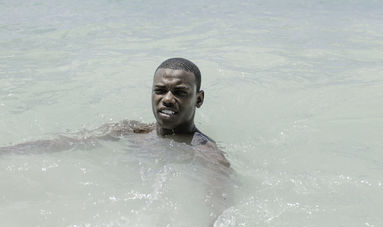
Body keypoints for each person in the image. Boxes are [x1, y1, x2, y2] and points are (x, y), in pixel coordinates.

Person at [0, 57, 229, 167]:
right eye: (160, 90)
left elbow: (219, 214)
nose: (167, 99)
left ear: (199, 100)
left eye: (179, 92)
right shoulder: (132, 130)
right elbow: (69, 143)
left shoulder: (208, 155)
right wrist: (8, 151)